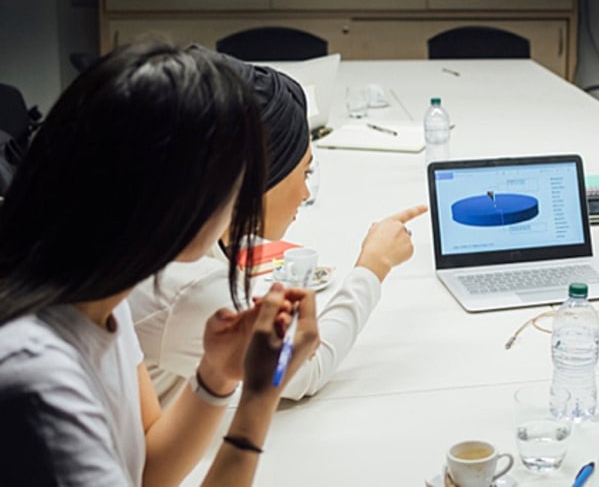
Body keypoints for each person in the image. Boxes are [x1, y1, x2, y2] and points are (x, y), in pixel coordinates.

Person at [0, 41, 319, 486]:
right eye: (235, 184)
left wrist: (218, 373)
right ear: (183, 197)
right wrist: (258, 400)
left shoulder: (98, 297)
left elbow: (149, 467)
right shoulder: (38, 383)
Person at [129, 55, 427, 404]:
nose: (305, 193)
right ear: (257, 179)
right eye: (304, 173)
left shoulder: (162, 228)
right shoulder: (190, 283)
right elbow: (303, 372)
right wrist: (372, 268)